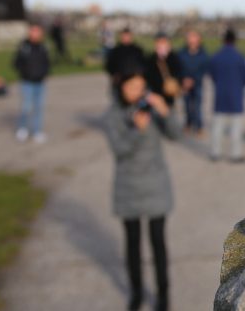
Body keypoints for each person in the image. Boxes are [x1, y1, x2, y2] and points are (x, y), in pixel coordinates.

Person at [103, 72, 180, 311]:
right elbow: (120, 150)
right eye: (132, 86)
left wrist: (165, 110)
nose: (137, 91)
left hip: (156, 184)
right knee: (133, 243)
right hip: (128, 186)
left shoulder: (151, 109)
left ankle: (163, 294)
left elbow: (175, 134)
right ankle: (136, 293)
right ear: (120, 86)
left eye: (141, 86)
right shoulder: (113, 115)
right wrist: (137, 130)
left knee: (158, 242)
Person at [209, 29, 245, 162]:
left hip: (220, 94)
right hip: (235, 94)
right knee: (236, 127)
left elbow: (212, 74)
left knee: (217, 125)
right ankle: (235, 154)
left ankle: (215, 153)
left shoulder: (216, 56)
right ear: (234, 40)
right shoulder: (239, 56)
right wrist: (239, 85)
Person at [14, 24, 51, 143]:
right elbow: (16, 63)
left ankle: (37, 131)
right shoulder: (24, 47)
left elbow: (47, 62)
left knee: (39, 108)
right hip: (27, 82)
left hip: (40, 82)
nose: (35, 34)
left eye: (37, 32)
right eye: (33, 31)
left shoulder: (43, 47)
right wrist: (25, 72)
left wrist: (44, 73)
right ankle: (23, 129)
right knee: (26, 106)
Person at [177, 30, 209, 135]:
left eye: (194, 37)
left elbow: (204, 69)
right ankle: (188, 123)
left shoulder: (203, 53)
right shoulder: (181, 53)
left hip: (197, 83)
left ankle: (199, 126)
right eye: (190, 37)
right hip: (184, 83)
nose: (192, 39)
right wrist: (184, 79)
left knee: (197, 105)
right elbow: (179, 67)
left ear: (199, 39)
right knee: (186, 105)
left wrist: (193, 79)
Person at [144, 33, 183, 107]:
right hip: (155, 94)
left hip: (170, 94)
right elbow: (148, 75)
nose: (161, 45)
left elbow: (179, 73)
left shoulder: (174, 57)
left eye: (164, 42)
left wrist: (176, 83)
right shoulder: (151, 58)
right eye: (159, 42)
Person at [105, 28, 145, 94]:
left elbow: (143, 65)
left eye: (127, 35)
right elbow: (109, 65)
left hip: (134, 80)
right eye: (124, 35)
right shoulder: (116, 51)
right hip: (120, 79)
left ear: (131, 36)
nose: (126, 38)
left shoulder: (137, 50)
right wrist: (114, 74)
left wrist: (139, 75)